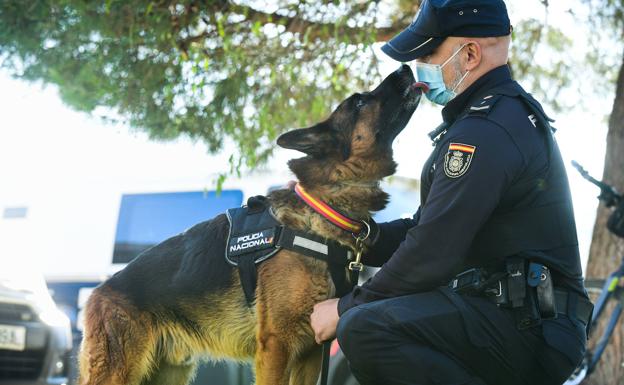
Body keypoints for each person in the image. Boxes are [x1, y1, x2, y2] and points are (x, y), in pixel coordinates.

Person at [309, 0, 593, 384]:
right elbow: (425, 227)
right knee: (370, 321)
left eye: (428, 54)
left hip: (530, 329)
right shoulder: (486, 119)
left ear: (471, 54)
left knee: (366, 328)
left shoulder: (487, 130)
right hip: (507, 316)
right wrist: (357, 234)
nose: (420, 70)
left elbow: (431, 252)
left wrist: (344, 308)